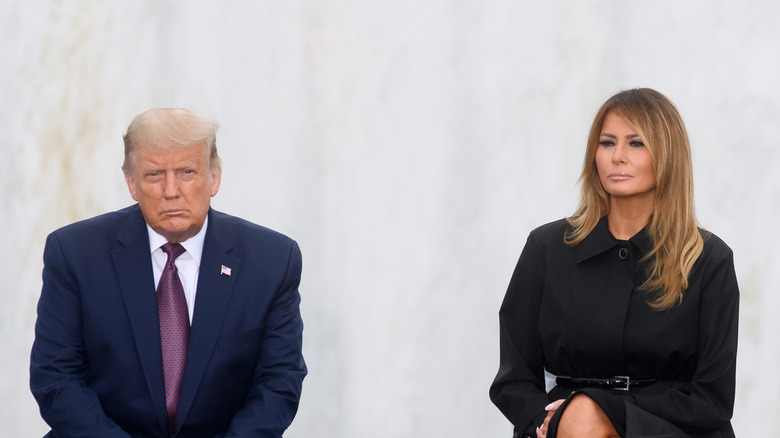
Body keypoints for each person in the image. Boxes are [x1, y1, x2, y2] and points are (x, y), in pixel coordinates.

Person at [30, 108, 307, 438]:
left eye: (187, 172)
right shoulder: (75, 253)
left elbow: (278, 383)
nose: (171, 190)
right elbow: (56, 379)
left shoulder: (271, 260)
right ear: (131, 183)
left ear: (214, 177)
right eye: (154, 175)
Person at [489, 88, 739, 437]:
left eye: (636, 143)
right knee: (581, 420)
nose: (617, 156)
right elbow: (513, 381)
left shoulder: (709, 259)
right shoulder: (545, 248)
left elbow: (713, 399)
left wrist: (604, 410)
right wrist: (545, 423)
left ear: (667, 154)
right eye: (607, 143)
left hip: (672, 428)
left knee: (585, 417)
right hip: (563, 428)